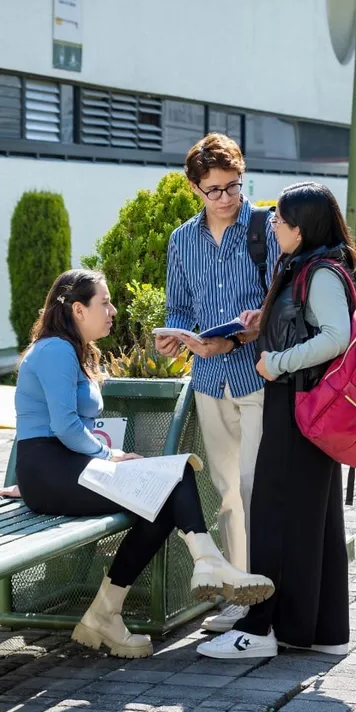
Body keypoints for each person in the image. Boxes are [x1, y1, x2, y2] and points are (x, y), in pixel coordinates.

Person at [14, 269, 274, 659]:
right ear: (78, 310)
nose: (113, 310)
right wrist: (112, 456)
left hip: (64, 467)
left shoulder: (73, 349)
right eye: (104, 302)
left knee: (169, 489)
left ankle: (108, 611)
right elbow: (64, 427)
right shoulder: (55, 350)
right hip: (52, 470)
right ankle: (204, 563)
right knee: (171, 482)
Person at [197, 182, 353, 661]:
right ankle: (321, 630)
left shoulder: (321, 271)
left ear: (301, 229)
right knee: (310, 521)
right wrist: (261, 322)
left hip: (299, 402)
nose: (273, 226)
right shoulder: (308, 264)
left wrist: (278, 361)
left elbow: (335, 337)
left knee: (273, 515)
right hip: (306, 407)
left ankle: (260, 629)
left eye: (281, 221)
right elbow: (303, 322)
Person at [155, 133, 278, 633]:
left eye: (234, 186)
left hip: (259, 373)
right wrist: (176, 337)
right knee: (226, 492)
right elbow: (178, 307)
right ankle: (238, 593)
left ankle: (267, 590)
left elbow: (284, 297)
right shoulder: (181, 241)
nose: (227, 198)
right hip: (208, 378)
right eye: (215, 190)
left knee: (254, 488)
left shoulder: (267, 226)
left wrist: (248, 328)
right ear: (194, 188)